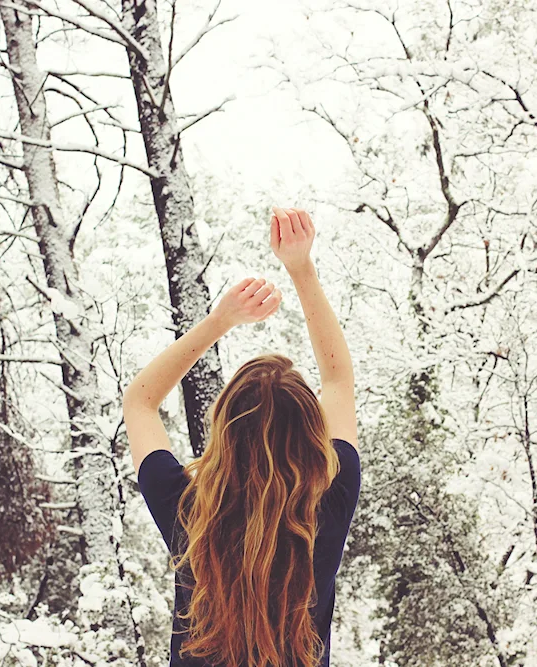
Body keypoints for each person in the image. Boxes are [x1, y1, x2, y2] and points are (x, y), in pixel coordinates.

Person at [123, 206, 361, 667]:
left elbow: (140, 401)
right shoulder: (328, 502)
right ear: (312, 434)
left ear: (223, 431)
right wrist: (301, 267)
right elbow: (338, 381)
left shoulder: (187, 510)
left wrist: (220, 321)